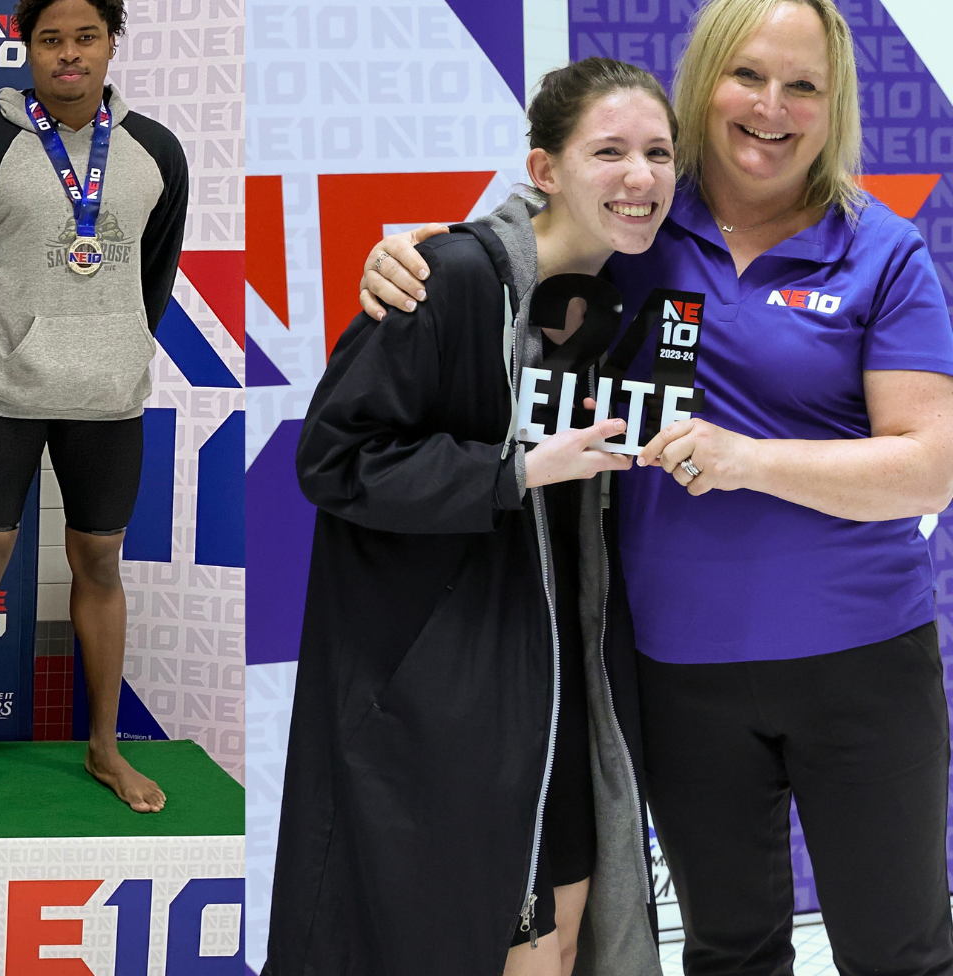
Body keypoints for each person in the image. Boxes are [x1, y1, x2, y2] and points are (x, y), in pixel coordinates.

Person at [358, 0, 953, 976]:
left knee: (900, 953)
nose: (771, 109)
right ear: (702, 82)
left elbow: (927, 469)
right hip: (678, 673)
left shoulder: (881, 253)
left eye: (802, 87)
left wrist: (747, 459)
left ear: (836, 103)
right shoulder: (633, 222)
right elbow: (513, 249)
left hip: (864, 664)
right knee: (728, 948)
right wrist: (416, 252)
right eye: (747, 75)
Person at [267, 58, 675, 976]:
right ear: (545, 169)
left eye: (658, 153)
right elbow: (332, 460)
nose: (639, 176)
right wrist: (515, 471)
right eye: (608, 151)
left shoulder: (640, 295)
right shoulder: (445, 277)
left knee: (569, 943)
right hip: (455, 701)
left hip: (571, 686)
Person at [0, 0, 189, 813]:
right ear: (25, 48)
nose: (68, 55)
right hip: (0, 395)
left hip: (108, 399)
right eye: (50, 40)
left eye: (85, 38)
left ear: (111, 45)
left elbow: (155, 275)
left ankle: (105, 748)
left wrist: (112, 351)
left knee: (99, 561)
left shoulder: (156, 154)